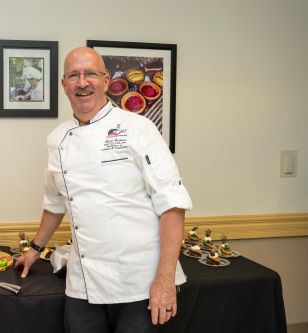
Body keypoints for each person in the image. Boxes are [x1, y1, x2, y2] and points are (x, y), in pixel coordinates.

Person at [15, 47, 192, 333]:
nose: (82, 82)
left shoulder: (139, 128)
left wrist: (165, 279)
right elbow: (54, 203)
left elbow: (171, 203)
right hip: (84, 280)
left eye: (91, 74)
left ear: (106, 81)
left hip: (141, 281)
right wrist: (35, 249)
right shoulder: (56, 139)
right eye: (74, 75)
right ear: (64, 84)